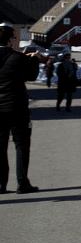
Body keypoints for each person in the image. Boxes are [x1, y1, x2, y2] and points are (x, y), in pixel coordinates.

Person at [0, 25, 40, 194]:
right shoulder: (17, 58)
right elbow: (31, 76)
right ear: (10, 40)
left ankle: (1, 185)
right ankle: (22, 183)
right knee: (21, 145)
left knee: (0, 147)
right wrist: (33, 60)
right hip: (17, 107)